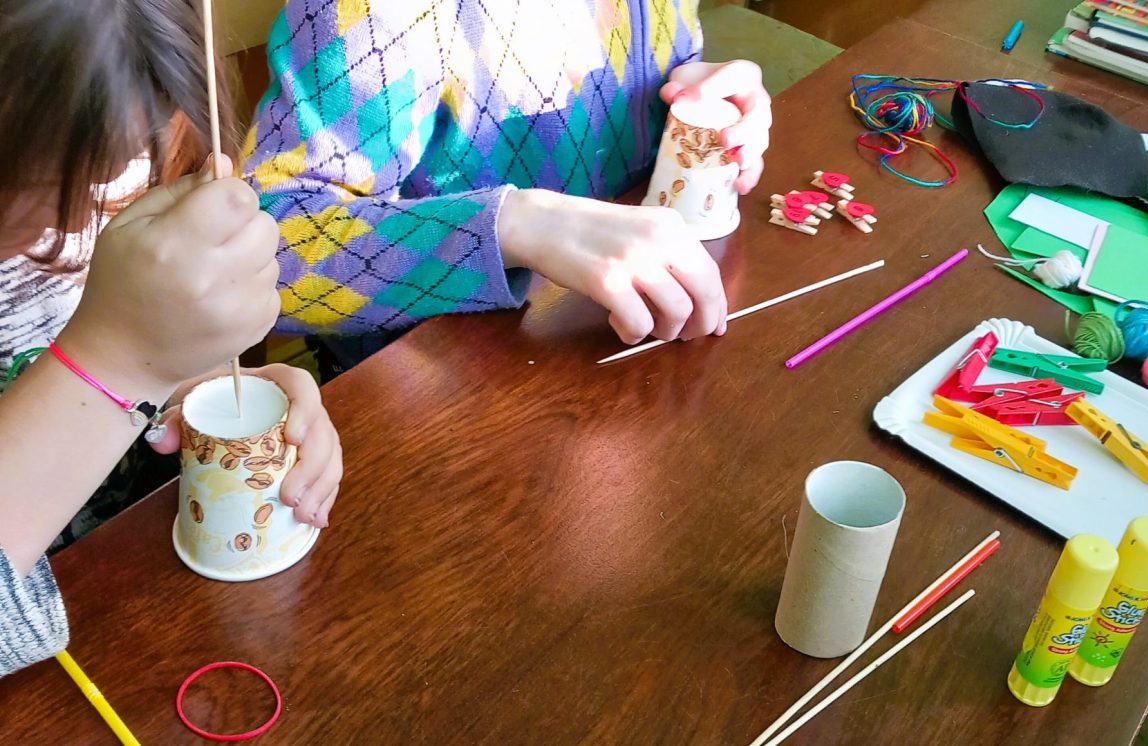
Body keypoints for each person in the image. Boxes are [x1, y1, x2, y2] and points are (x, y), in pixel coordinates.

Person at [0, 0, 342, 677]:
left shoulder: (115, 181)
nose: (80, 219)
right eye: (39, 180)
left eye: (116, 172)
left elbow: (133, 391)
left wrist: (194, 388)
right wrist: (117, 357)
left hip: (146, 614)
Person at [243, 0, 771, 368]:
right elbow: (265, 259)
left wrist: (695, 107)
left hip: (623, 343)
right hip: (440, 390)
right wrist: (514, 226)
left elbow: (651, 75)